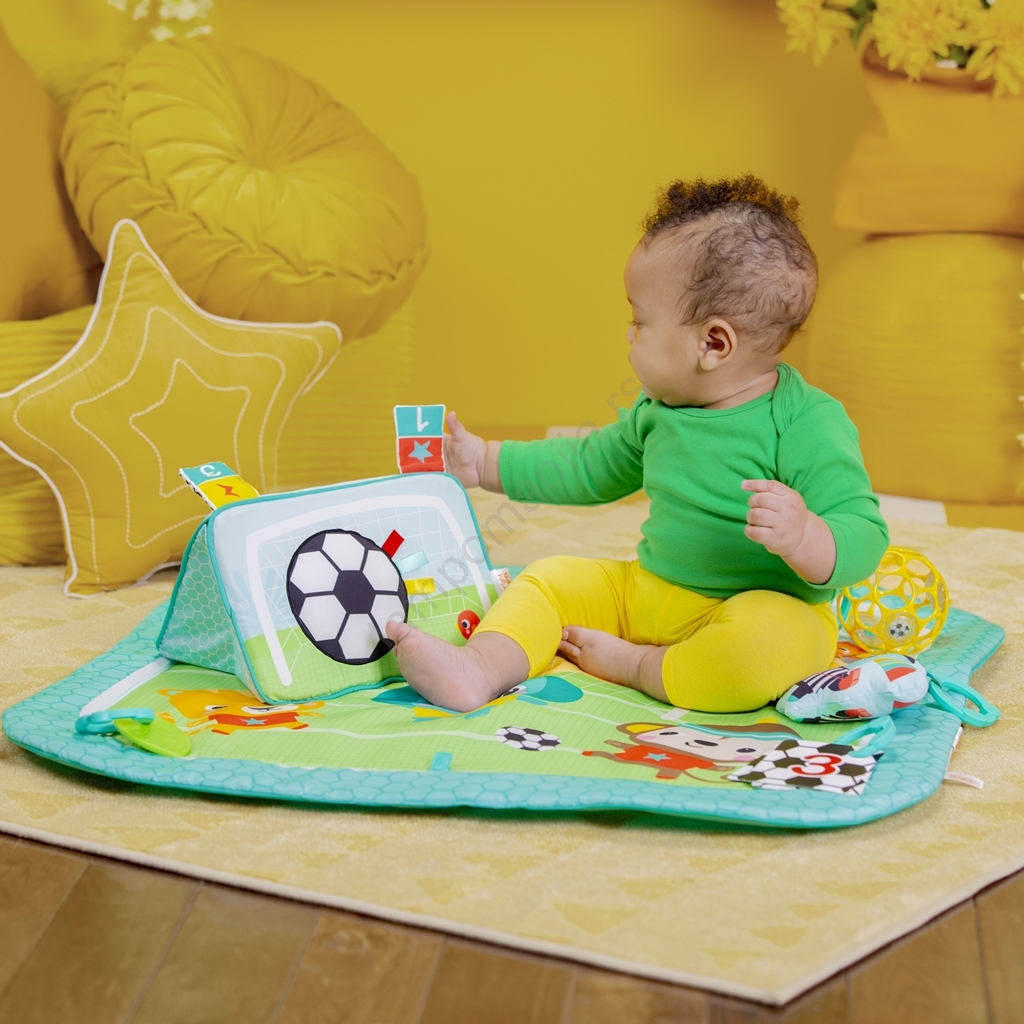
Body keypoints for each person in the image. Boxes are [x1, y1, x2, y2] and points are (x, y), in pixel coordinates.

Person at [386, 175, 888, 713]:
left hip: (751, 608)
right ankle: (479, 668)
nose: (629, 333)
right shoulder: (658, 412)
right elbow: (588, 466)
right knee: (547, 579)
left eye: (639, 320)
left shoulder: (808, 422)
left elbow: (865, 533)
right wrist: (485, 461)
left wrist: (806, 535)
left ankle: (642, 666)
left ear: (713, 343)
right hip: (646, 594)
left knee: (775, 643)